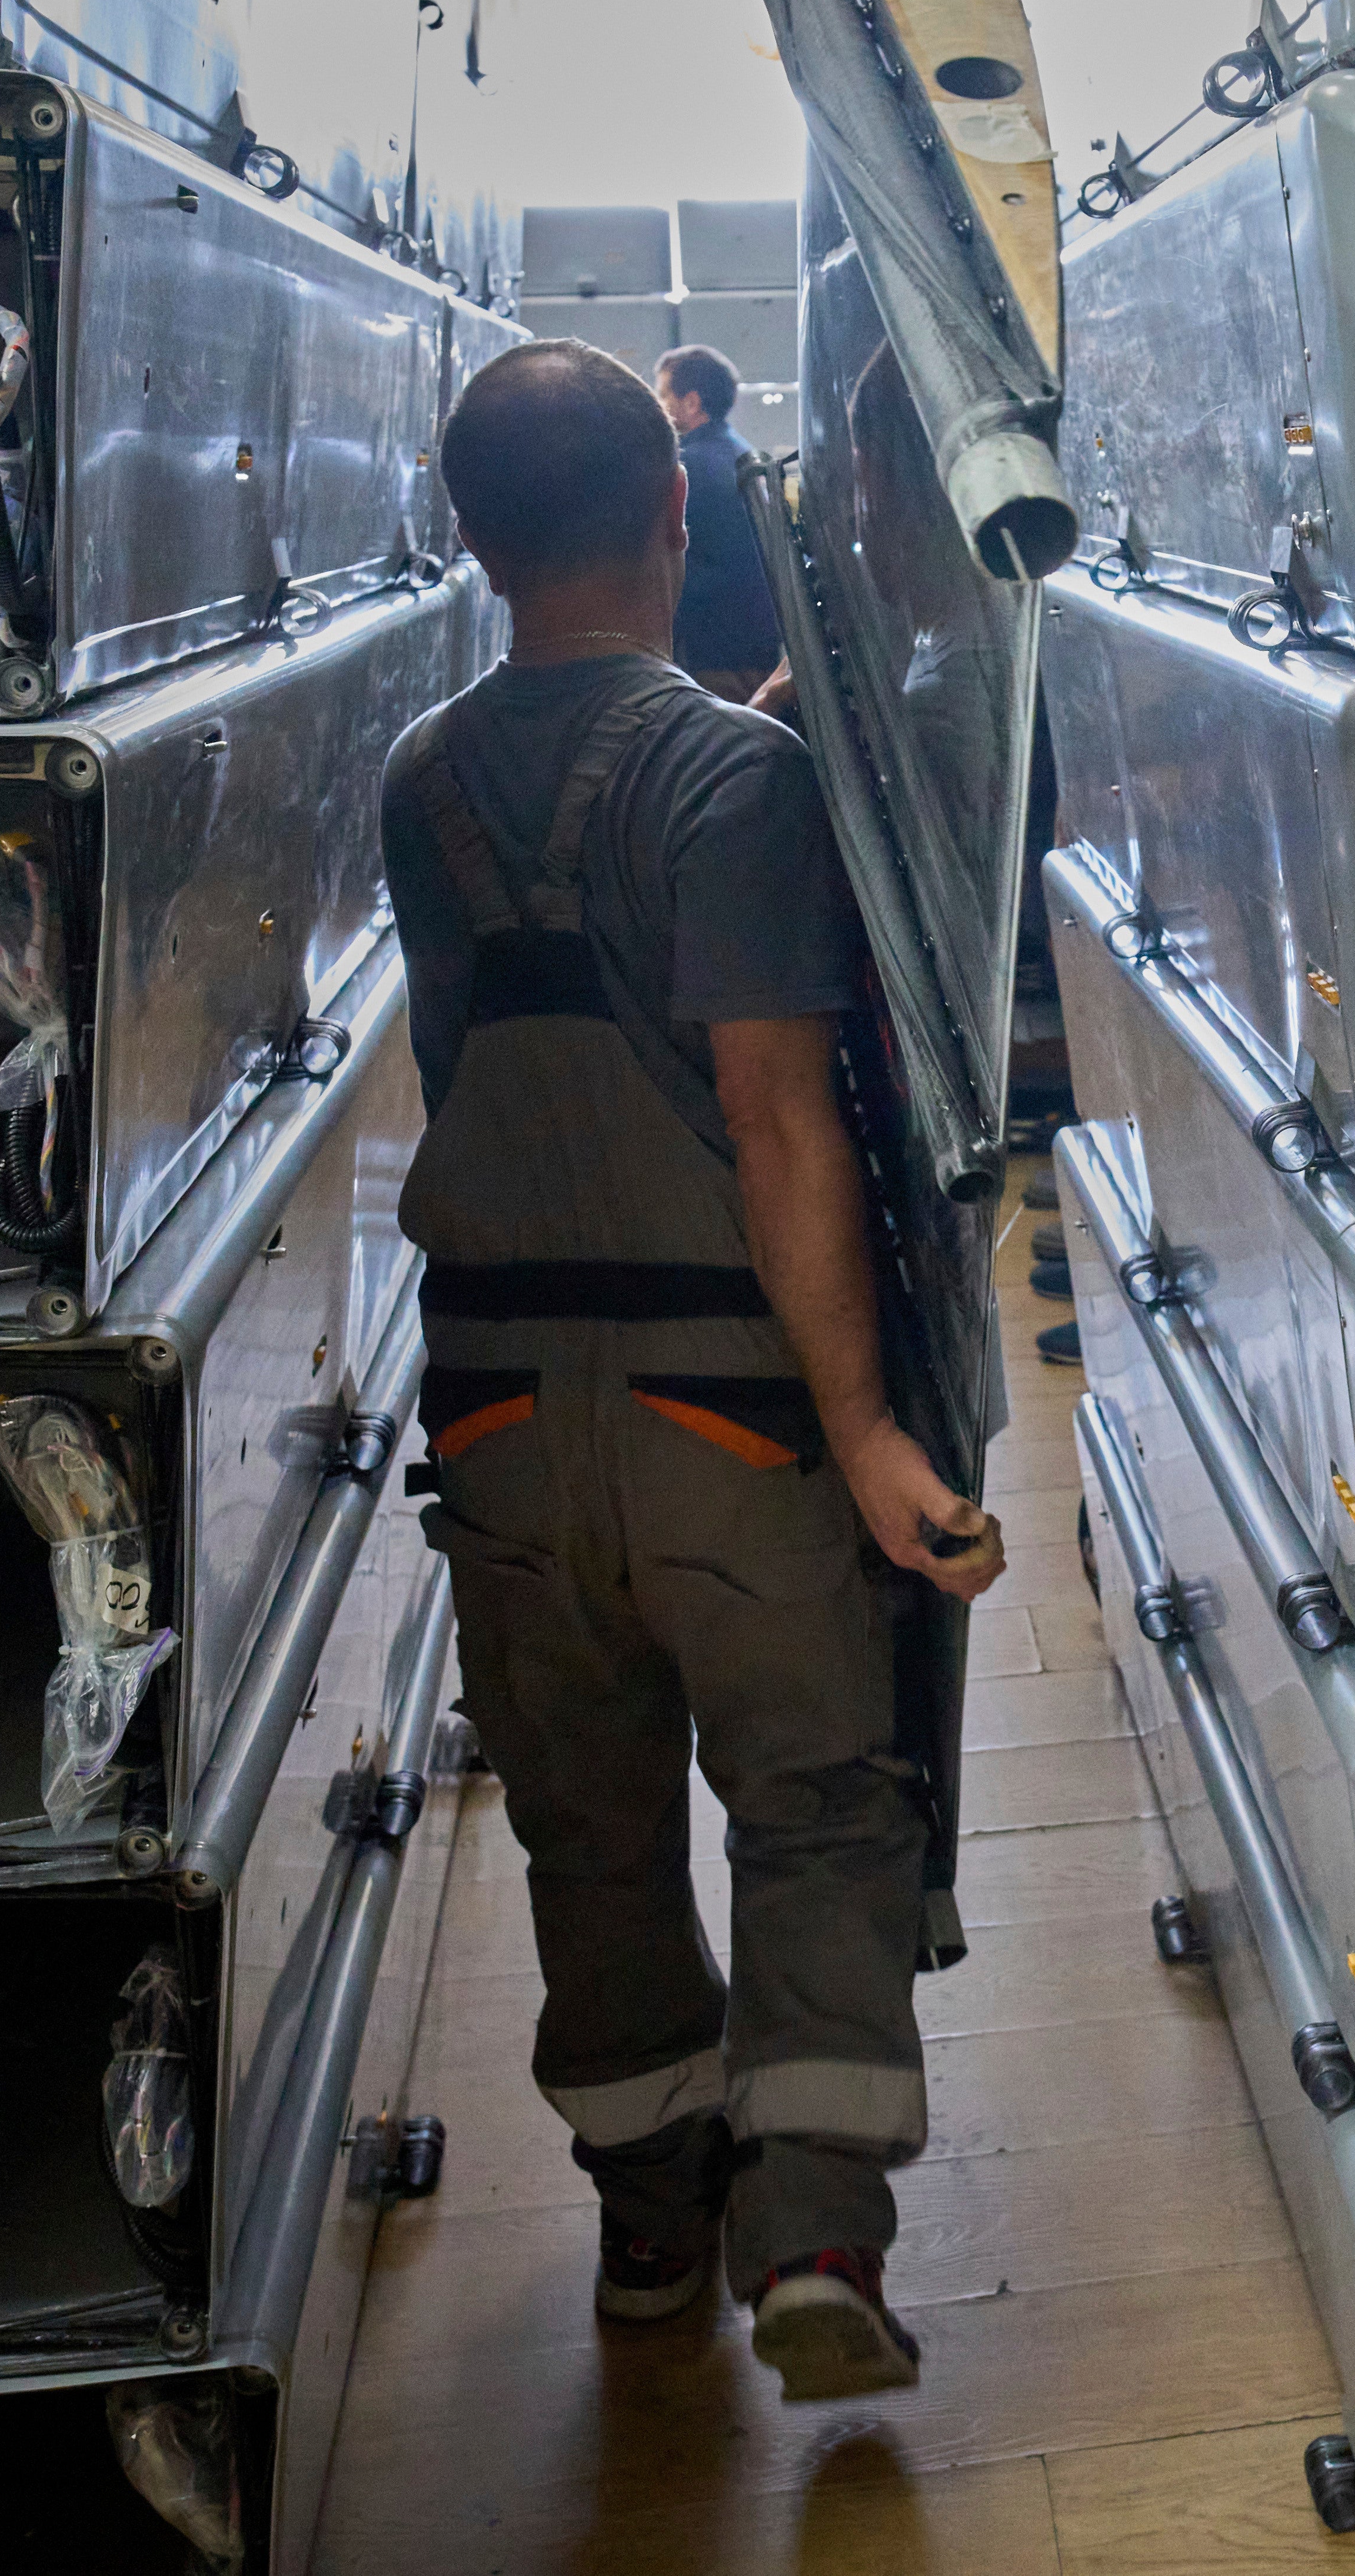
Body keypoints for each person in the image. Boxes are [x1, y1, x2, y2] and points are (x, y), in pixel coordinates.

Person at [383, 337, 1007, 2402]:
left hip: (491, 1405)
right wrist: (865, 1429)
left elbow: (530, 981)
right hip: (722, 1406)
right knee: (818, 1793)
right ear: (680, 512)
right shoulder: (739, 788)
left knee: (592, 1824)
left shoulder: (418, 783)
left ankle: (650, 2219)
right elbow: (775, 1119)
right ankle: (814, 2223)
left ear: (468, 541)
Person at [655, 341, 781, 701]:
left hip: (714, 658)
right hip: (753, 647)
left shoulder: (688, 467)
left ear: (692, 403)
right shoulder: (740, 453)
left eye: (664, 395)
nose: (658, 406)